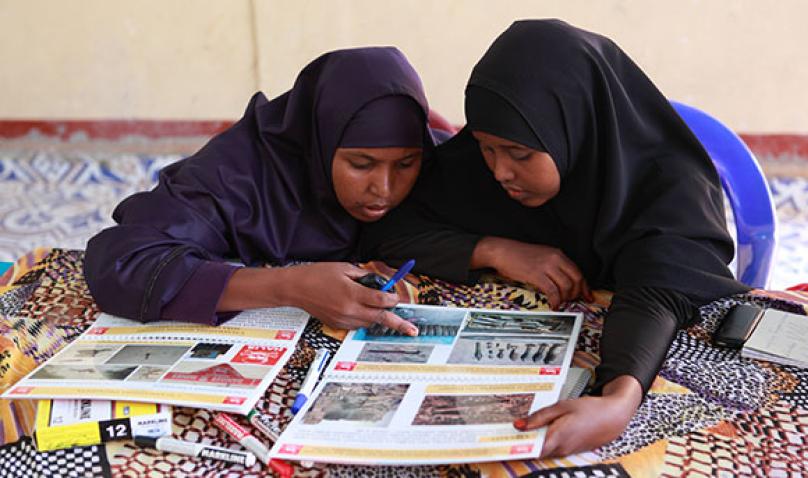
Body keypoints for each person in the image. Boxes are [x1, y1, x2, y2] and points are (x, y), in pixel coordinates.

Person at [360, 20, 750, 456]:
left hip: (639, 337)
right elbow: (392, 227)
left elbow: (658, 290)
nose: (499, 171)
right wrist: (494, 249)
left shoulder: (667, 184)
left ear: (575, 126)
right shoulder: (480, 165)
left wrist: (618, 399)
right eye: (488, 147)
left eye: (520, 154)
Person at [84, 47, 436, 336]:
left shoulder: (430, 159)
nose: (384, 188)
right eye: (361, 164)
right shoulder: (236, 174)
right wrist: (288, 287)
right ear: (321, 138)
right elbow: (123, 263)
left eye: (405, 164)